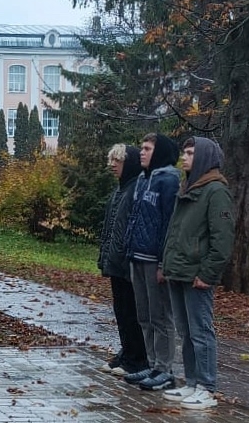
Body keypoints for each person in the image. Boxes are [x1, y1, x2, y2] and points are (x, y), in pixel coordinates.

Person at [161, 137, 234, 410]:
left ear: (204, 157)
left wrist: (208, 273)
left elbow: (222, 241)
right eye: (184, 152)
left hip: (197, 276)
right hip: (179, 272)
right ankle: (192, 382)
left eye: (190, 153)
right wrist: (167, 265)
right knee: (186, 331)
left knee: (201, 331)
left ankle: (207, 387)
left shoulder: (216, 191)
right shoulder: (189, 188)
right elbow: (176, 232)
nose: (184, 158)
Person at [123, 132, 180, 391]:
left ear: (158, 153)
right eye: (141, 148)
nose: (141, 153)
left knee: (160, 316)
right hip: (137, 256)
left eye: (147, 149)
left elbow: (169, 224)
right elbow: (135, 218)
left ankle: (164, 369)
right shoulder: (143, 180)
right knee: (143, 315)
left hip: (154, 260)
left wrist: (163, 263)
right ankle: (151, 362)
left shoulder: (168, 181)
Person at [98, 144, 149, 376]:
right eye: (111, 160)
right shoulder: (120, 190)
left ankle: (137, 357)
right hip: (116, 261)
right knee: (121, 310)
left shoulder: (135, 189)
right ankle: (127, 351)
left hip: (128, 262)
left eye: (117, 160)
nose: (112, 165)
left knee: (132, 311)